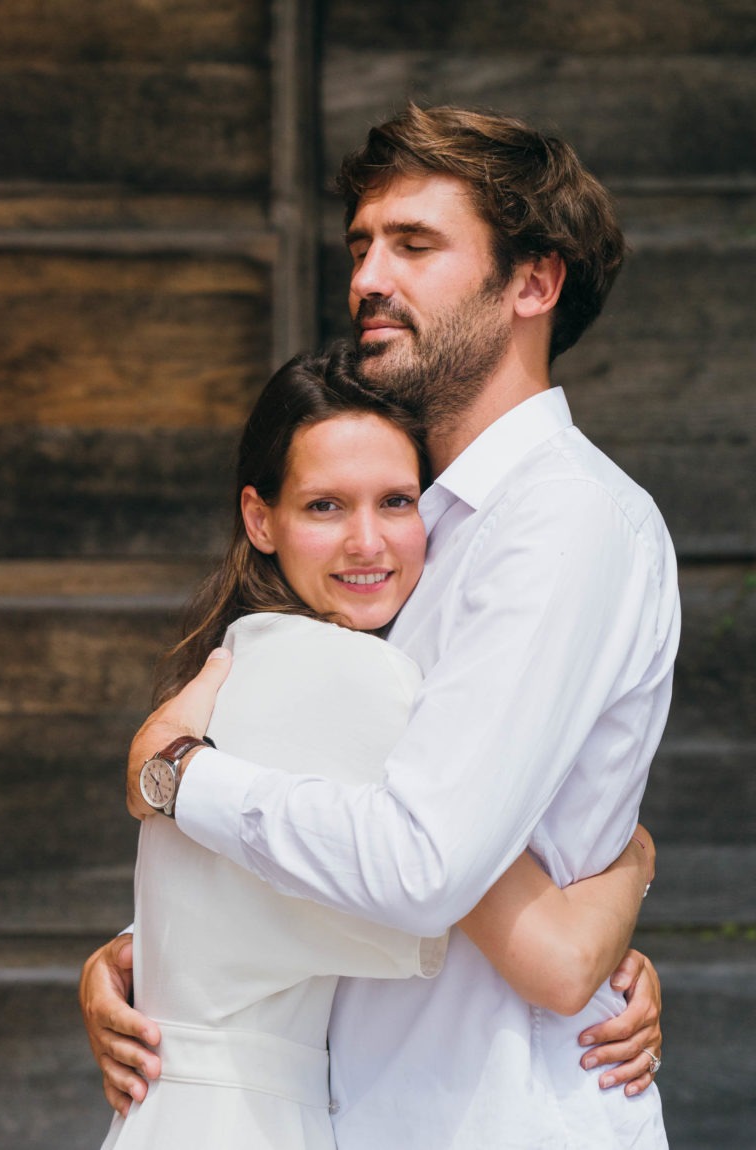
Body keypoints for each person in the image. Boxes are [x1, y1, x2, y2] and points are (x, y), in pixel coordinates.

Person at [82, 105, 679, 1147]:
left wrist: (187, 781)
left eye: (414, 244)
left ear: (533, 284)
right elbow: (345, 787)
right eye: (363, 243)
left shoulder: (562, 521)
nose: (367, 276)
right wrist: (150, 952)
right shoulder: (409, 533)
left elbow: (422, 861)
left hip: (489, 1114)